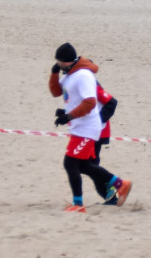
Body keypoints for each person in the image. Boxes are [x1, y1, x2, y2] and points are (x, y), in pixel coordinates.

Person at [48, 43, 132, 212]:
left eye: (59, 62)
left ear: (67, 60)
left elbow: (90, 103)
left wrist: (69, 116)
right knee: (83, 166)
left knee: (70, 163)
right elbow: (57, 92)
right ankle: (119, 184)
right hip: (78, 127)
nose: (58, 64)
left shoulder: (84, 75)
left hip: (88, 128)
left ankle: (79, 204)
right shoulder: (69, 75)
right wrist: (54, 73)